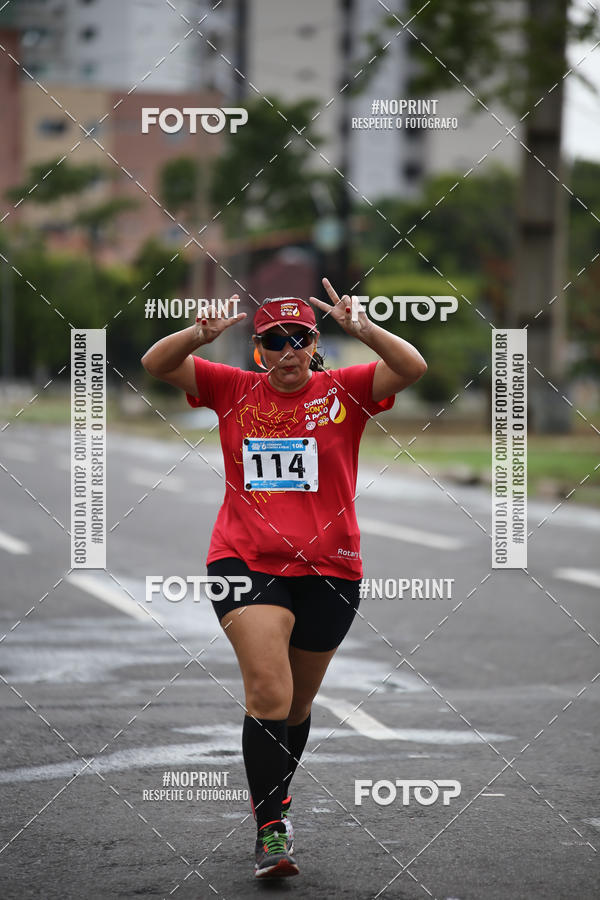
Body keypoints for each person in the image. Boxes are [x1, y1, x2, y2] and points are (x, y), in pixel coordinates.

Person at [141, 278, 427, 878]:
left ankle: (278, 800)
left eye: (300, 338)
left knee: (296, 706)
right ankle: (271, 829)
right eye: (275, 340)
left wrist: (366, 330)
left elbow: (412, 366)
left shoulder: (344, 391)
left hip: (332, 568)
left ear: (315, 343)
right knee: (268, 692)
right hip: (243, 561)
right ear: (258, 350)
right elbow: (155, 363)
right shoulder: (232, 389)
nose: (289, 349)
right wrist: (198, 334)